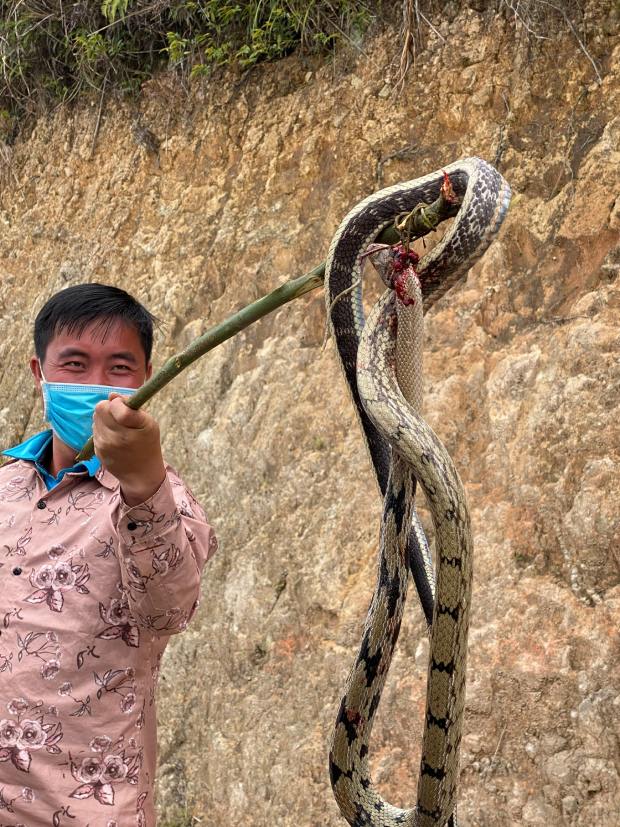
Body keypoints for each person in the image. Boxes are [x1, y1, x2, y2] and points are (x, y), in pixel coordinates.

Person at [0, 283, 218, 826]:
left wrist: (143, 482)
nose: (96, 384)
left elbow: (166, 613)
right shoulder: (5, 485)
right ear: (39, 374)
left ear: (147, 379)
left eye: (119, 367)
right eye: (74, 363)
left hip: (86, 807)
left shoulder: (165, 502)